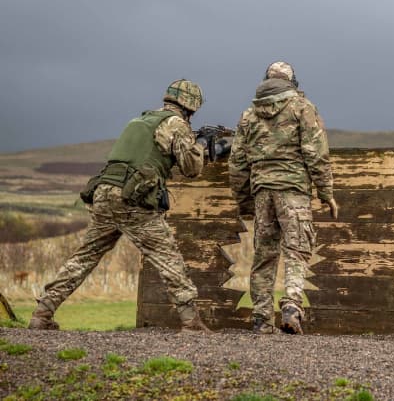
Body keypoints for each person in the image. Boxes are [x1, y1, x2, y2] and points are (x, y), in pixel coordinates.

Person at [29, 79, 211, 333]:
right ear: (191, 106)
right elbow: (192, 169)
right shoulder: (177, 125)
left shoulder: (138, 121)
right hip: (133, 200)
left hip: (103, 194)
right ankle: (191, 322)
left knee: (84, 257)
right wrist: (202, 148)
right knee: (167, 257)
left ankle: (42, 313)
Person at [229, 62, 338, 334]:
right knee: (297, 249)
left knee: (264, 255)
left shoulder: (248, 115)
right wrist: (326, 193)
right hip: (293, 190)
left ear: (266, 80)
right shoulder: (303, 108)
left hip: (262, 192)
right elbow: (316, 154)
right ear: (293, 82)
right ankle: (291, 306)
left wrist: (244, 201)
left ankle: (261, 318)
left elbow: (237, 163)